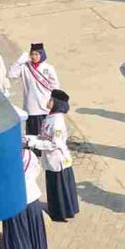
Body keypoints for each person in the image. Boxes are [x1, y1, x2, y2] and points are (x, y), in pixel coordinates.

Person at [24, 89, 79, 222]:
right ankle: (57, 210)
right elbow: (43, 136)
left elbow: (54, 144)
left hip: (58, 160)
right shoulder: (50, 117)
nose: (48, 102)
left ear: (56, 103)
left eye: (51, 100)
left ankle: (61, 213)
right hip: (50, 160)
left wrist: (33, 143)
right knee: (54, 188)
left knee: (59, 189)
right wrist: (29, 138)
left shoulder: (57, 122)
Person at [2, 145, 48, 249]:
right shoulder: (29, 155)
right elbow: (37, 170)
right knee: (33, 227)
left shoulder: (3, 160)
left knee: (18, 230)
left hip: (13, 200)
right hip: (31, 196)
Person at [8, 43, 60, 136]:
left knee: (45, 133)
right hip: (31, 107)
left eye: (37, 54)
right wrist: (19, 62)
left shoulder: (48, 68)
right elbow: (11, 74)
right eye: (32, 54)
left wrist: (54, 102)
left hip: (45, 106)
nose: (34, 56)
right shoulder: (25, 67)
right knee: (32, 135)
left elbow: (55, 87)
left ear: (42, 54)